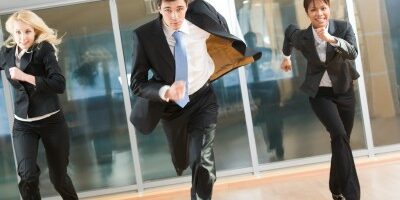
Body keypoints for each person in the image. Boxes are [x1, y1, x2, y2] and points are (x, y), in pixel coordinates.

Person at [129, 0, 260, 199]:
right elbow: (137, 83)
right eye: (168, 10)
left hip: (203, 100)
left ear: (187, 6)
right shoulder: (144, 36)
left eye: (180, 9)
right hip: (172, 109)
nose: (174, 16)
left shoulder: (202, 14)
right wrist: (165, 90)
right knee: (185, 159)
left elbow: (222, 28)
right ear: (158, 8)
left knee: (202, 158)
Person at [281, 0, 360, 199]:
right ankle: (352, 195)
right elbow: (289, 32)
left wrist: (331, 39)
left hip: (344, 92)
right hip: (320, 95)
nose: (319, 13)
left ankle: (335, 189)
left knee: (341, 141)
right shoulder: (304, 36)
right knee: (340, 136)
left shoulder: (342, 28)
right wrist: (286, 56)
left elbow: (353, 52)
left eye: (323, 8)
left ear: (329, 8)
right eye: (313, 9)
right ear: (307, 12)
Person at [0, 10, 78, 200]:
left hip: (52, 123)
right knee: (27, 176)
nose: (22, 37)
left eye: (27, 31)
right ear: (12, 32)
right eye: (17, 32)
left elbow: (59, 84)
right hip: (23, 125)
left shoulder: (44, 50)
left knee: (58, 178)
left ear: (35, 31)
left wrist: (25, 76)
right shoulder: (7, 53)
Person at [244, 31, 284, 161]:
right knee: (270, 119)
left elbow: (277, 55)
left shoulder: (257, 53)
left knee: (271, 119)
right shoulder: (250, 54)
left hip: (268, 89)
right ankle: (275, 144)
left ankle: (276, 144)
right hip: (264, 90)